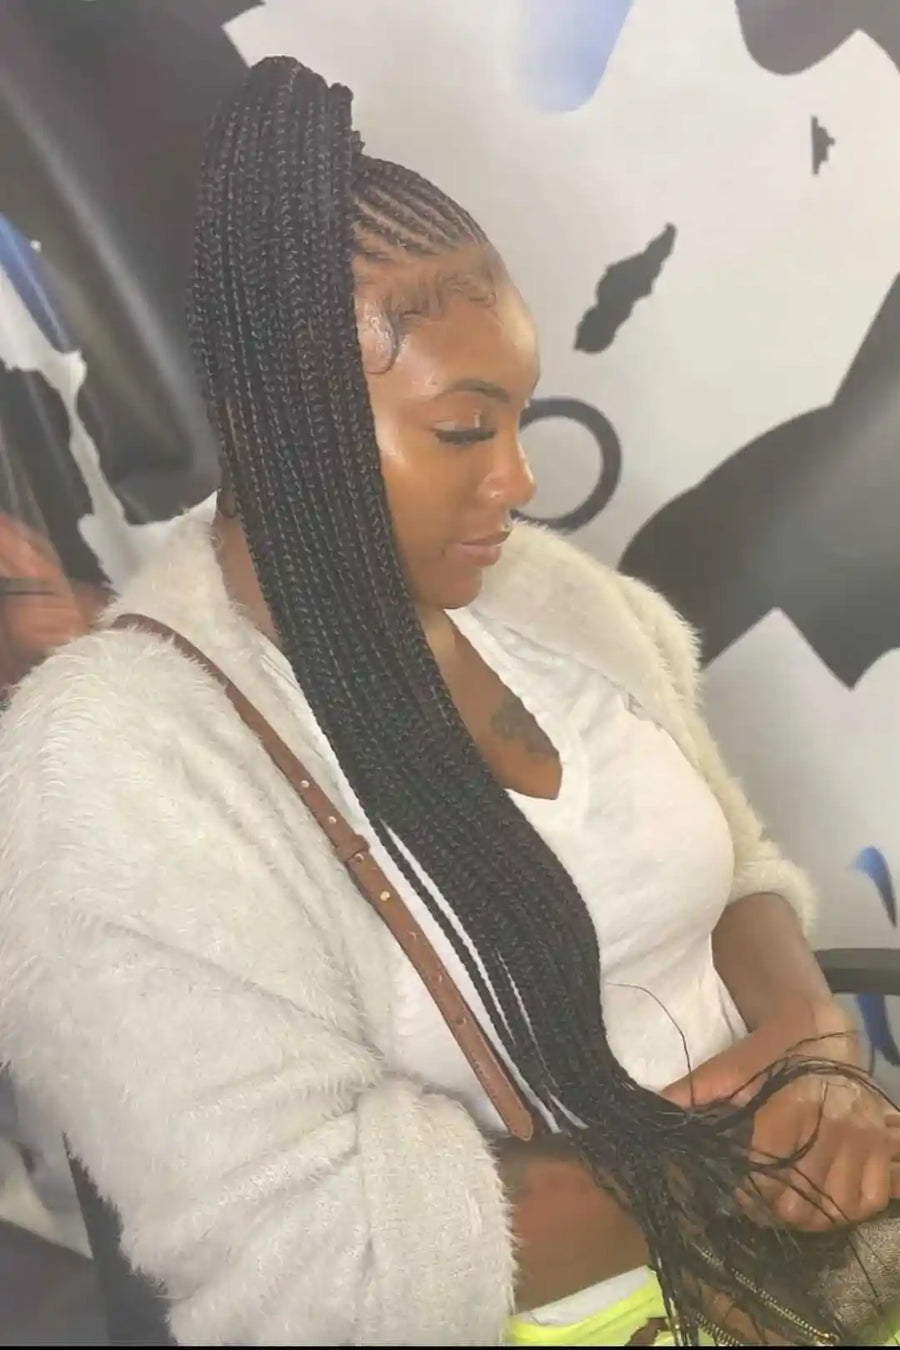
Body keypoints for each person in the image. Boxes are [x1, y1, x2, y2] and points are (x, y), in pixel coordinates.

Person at [0, 58, 897, 1347]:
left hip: (812, 1234)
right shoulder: (121, 761)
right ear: (284, 421)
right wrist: (728, 1165)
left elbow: (740, 866)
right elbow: (311, 1260)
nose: (520, 482)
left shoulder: (553, 603)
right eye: (467, 431)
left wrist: (816, 1041)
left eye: (520, 419)